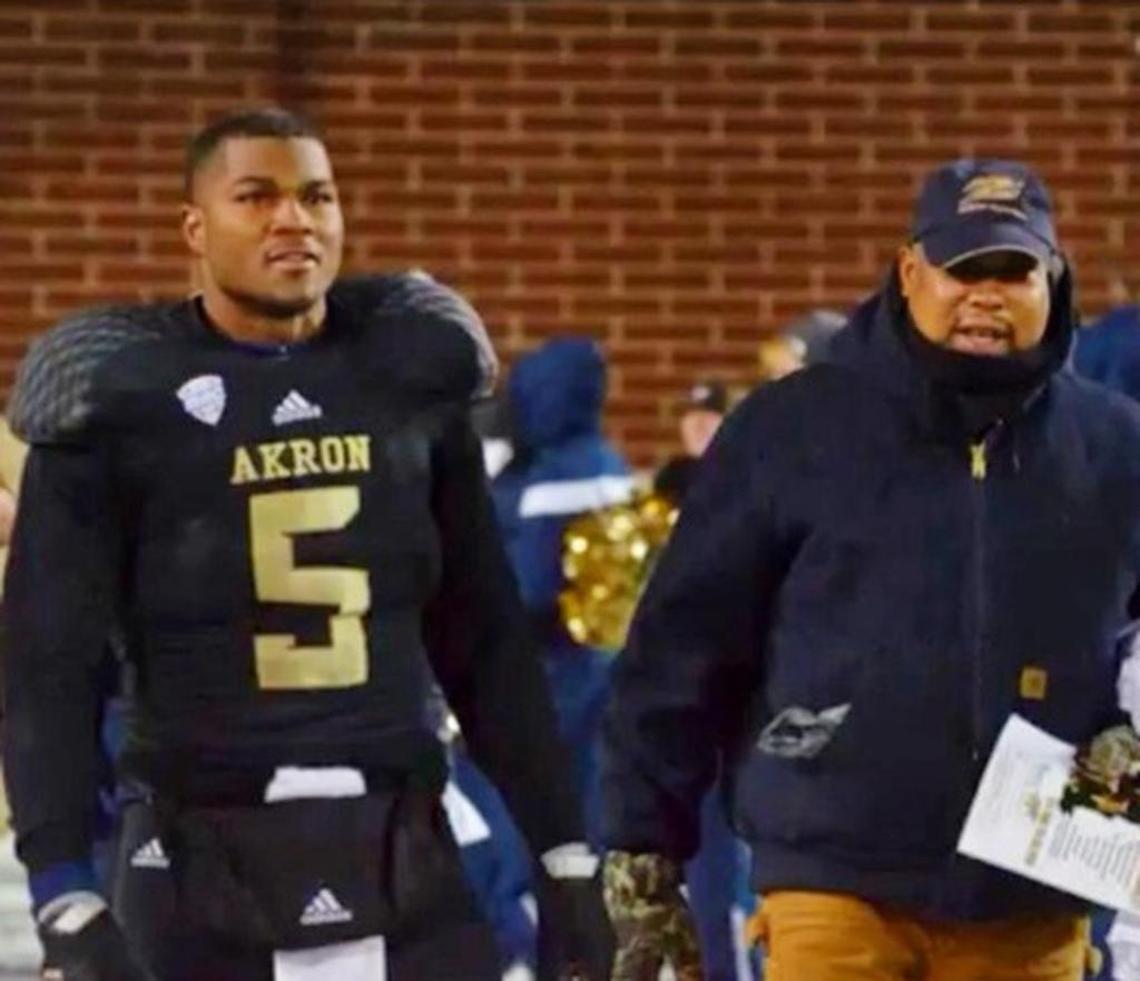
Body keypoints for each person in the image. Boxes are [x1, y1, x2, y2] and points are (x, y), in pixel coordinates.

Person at [1, 106, 612, 981]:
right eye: (256, 196)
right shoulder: (116, 393)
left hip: (401, 830)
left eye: (316, 196)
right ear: (195, 227)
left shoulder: (405, 371)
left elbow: (484, 638)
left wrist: (564, 851)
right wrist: (64, 885)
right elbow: (48, 662)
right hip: (195, 843)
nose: (293, 219)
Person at [600, 157, 1140, 981]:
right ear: (910, 271)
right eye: (963, 270)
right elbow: (681, 646)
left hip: (1029, 904)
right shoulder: (791, 430)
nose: (986, 296)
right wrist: (643, 848)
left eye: (1013, 272)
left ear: (1054, 280)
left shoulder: (1117, 448)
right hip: (834, 884)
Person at [490, 337, 632, 849]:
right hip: (605, 661)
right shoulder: (608, 463)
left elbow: (531, 583)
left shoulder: (555, 475)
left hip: (556, 666)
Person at [653, 379, 728, 506]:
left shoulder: (742, 477)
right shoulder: (671, 478)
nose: (701, 423)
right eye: (693, 414)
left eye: (710, 415)